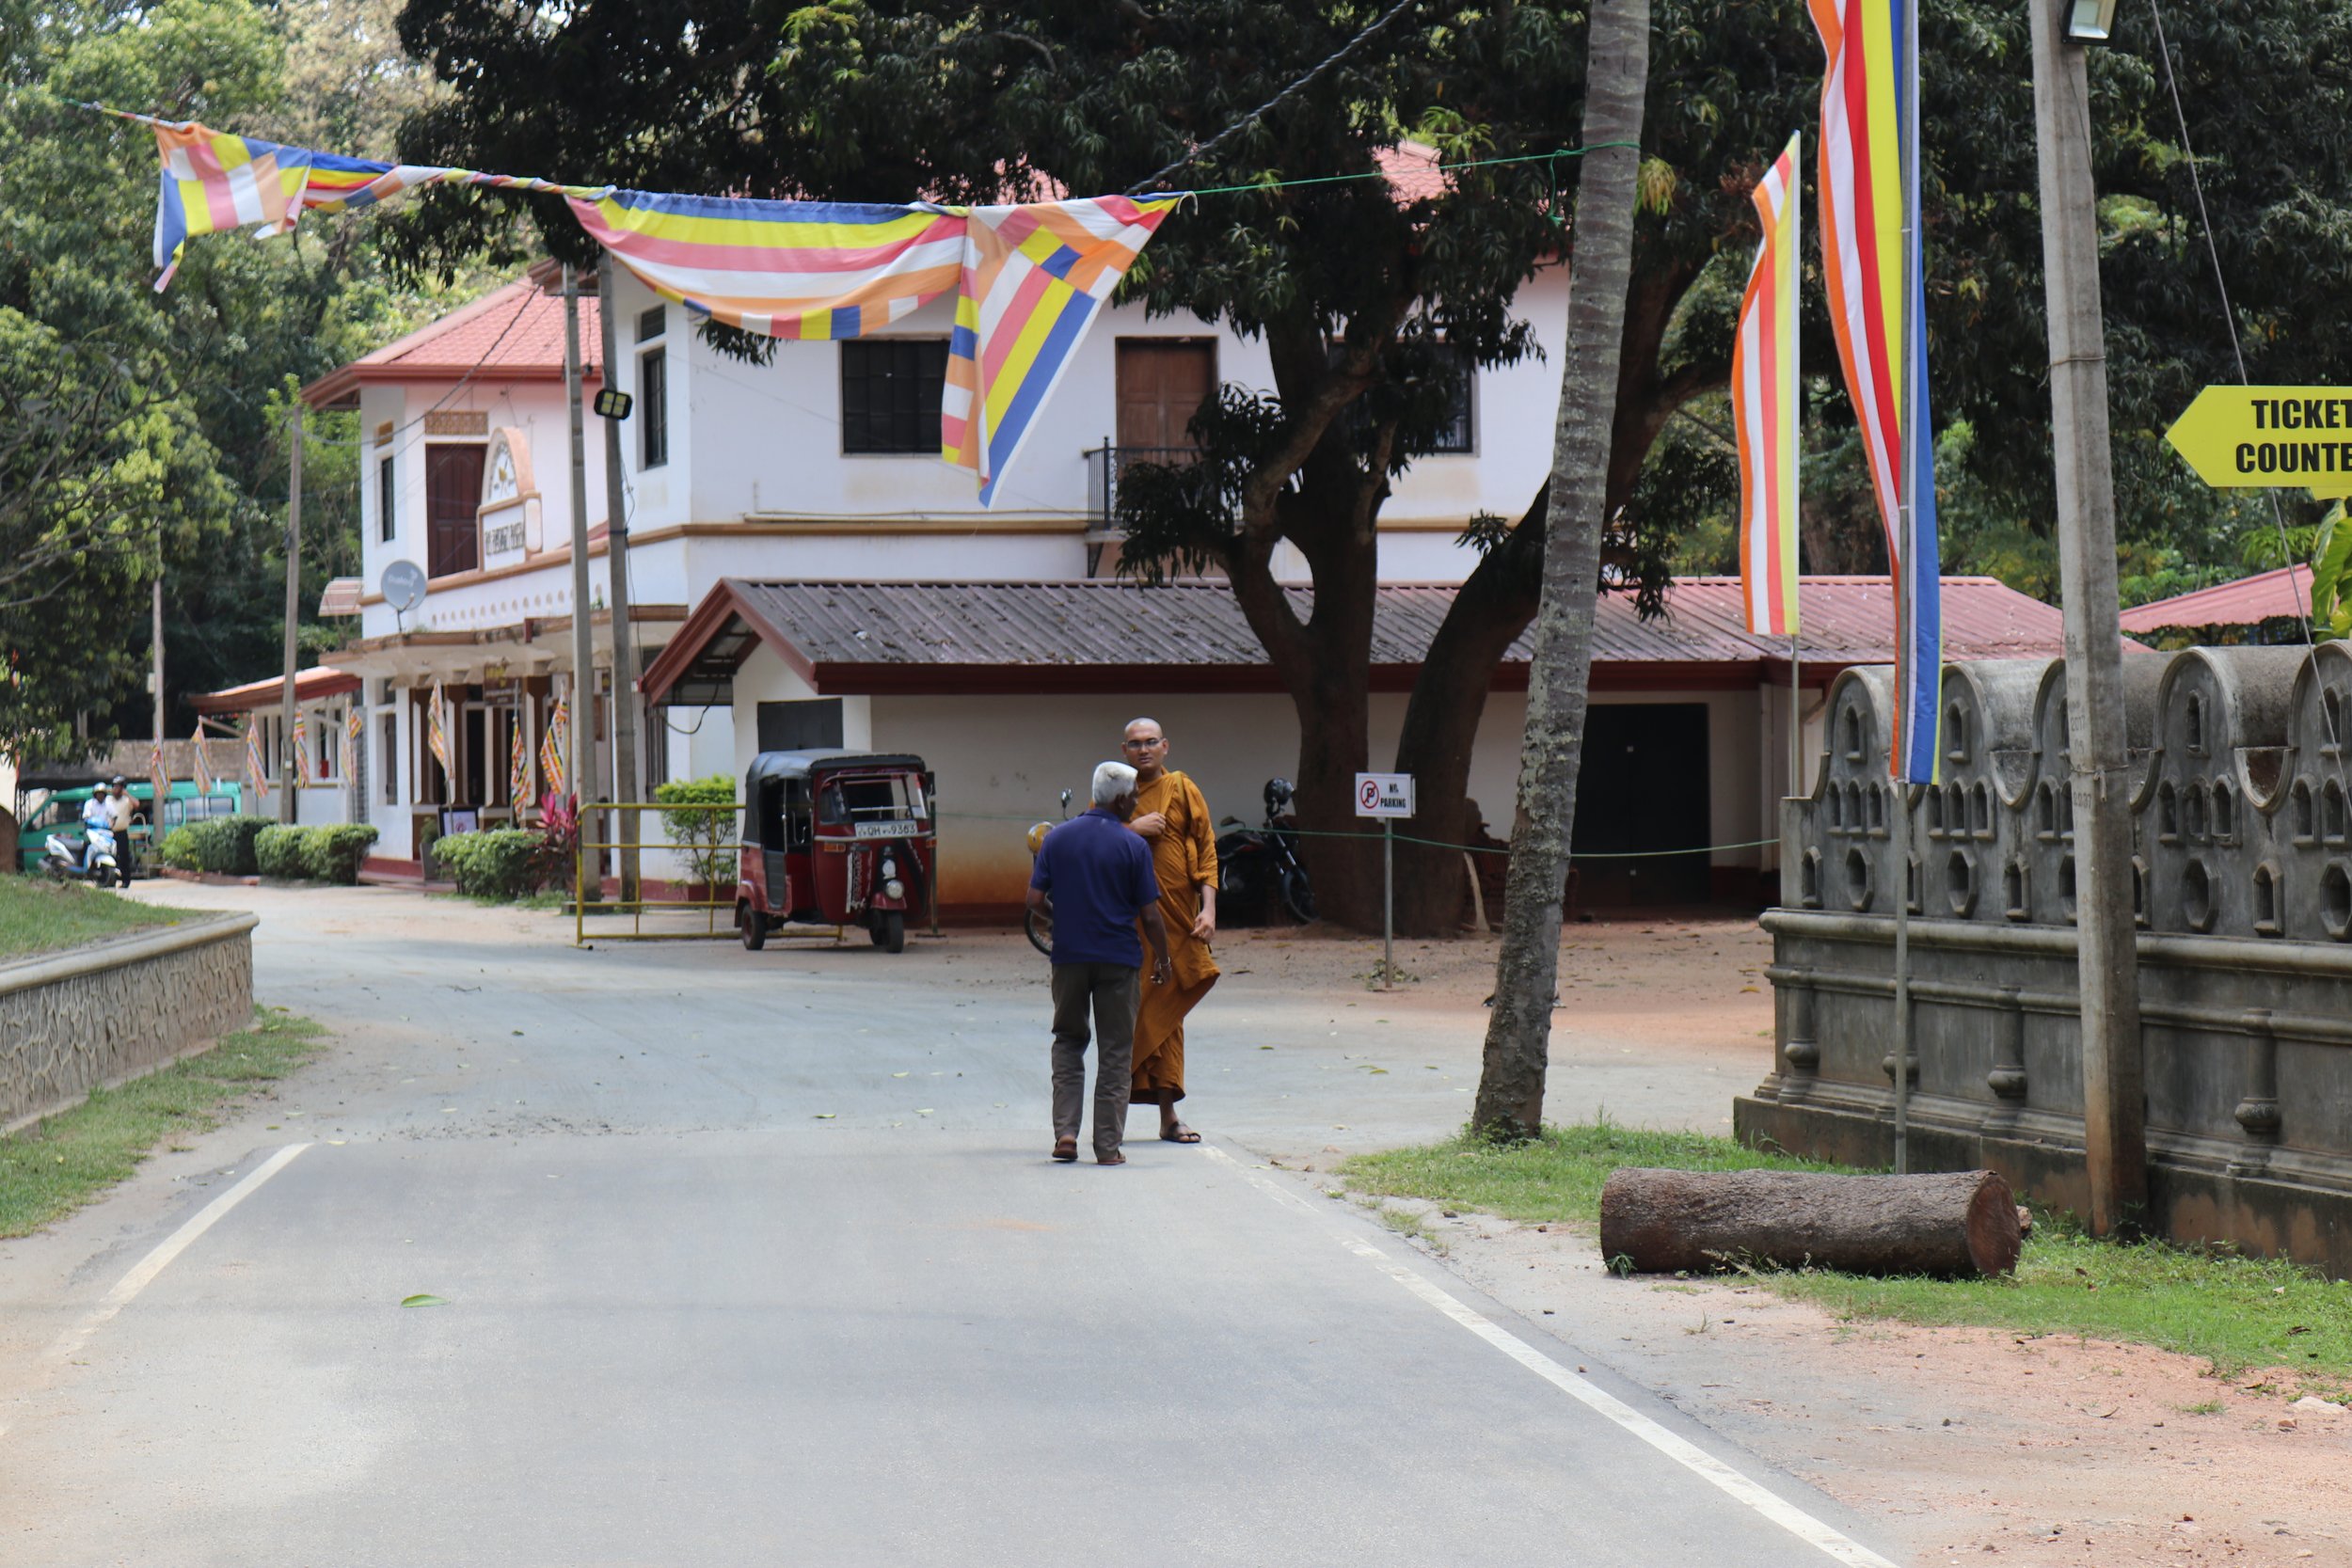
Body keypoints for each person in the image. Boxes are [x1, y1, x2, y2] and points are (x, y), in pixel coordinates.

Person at [1026, 761, 1172, 1166]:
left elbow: (1034, 902)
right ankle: (1107, 1148)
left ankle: (1067, 1134)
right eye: (1135, 798)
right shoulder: (1133, 846)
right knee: (1115, 1051)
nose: (1138, 804)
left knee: (1069, 1041)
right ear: (1122, 799)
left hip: (1070, 957)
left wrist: (1066, 921)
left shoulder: (1057, 840)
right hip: (1119, 959)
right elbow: (1150, 915)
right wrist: (1163, 958)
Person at [1120, 717, 1218, 1144]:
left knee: (1170, 1011)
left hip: (1179, 919)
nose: (1144, 750)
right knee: (1127, 1011)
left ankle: (1169, 1115)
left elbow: (1208, 847)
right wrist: (1131, 829)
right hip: (1129, 924)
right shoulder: (1115, 793)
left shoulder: (1182, 788)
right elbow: (1091, 835)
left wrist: (1210, 908)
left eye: (1151, 742)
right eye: (1135, 744)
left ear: (1165, 746)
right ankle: (1113, 1118)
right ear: (1124, 751)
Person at [78, 783, 115, 874]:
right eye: (98, 793)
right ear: (95, 794)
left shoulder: (108, 804)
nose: (100, 796)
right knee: (87, 847)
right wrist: (92, 821)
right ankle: (83, 868)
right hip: (92, 832)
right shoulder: (89, 804)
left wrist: (111, 825)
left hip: (105, 832)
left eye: (102, 794)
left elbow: (114, 816)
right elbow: (86, 817)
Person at [107, 777, 138, 881]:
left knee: (124, 857)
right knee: (111, 857)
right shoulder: (108, 800)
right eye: (114, 786)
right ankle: (111, 879)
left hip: (121, 832)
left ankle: (125, 880)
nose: (115, 789)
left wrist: (127, 794)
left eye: (118, 787)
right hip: (110, 833)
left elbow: (137, 804)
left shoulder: (126, 801)